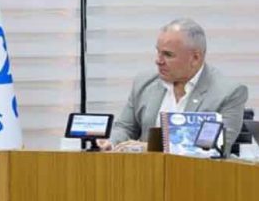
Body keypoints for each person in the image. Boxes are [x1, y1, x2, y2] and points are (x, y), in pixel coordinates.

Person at [104, 19, 248, 150]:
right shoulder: (144, 82)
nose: (158, 60)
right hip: (147, 173)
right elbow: (125, 128)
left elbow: (213, 147)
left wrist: (151, 148)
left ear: (195, 58)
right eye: (158, 52)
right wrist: (112, 143)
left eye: (168, 55)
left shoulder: (229, 92)